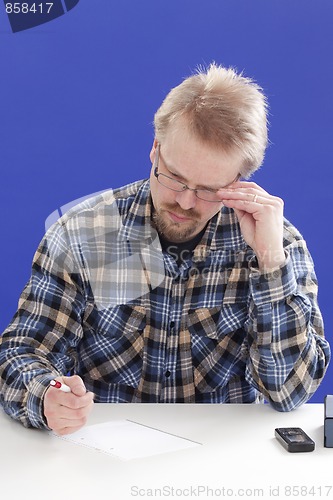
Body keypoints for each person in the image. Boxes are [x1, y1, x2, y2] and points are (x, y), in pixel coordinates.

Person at [0, 63, 330, 436]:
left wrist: (271, 264)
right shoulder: (80, 234)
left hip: (224, 463)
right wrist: (46, 396)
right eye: (174, 177)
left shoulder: (277, 242)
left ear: (238, 182)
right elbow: (22, 352)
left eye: (208, 189)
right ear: (156, 150)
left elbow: (289, 393)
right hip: (102, 458)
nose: (185, 202)